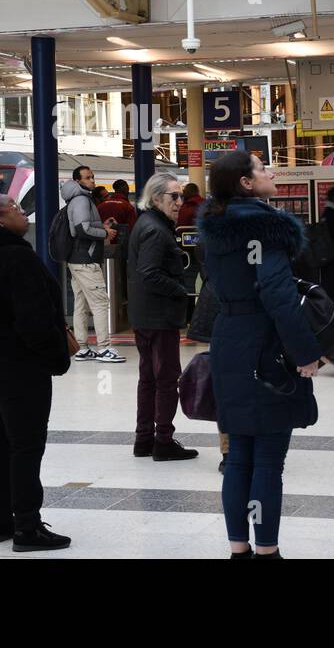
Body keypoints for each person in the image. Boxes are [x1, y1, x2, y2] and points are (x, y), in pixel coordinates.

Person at [199, 151, 325, 558]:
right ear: (246, 183)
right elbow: (278, 294)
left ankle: (240, 549)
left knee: (238, 457)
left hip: (229, 340)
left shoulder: (214, 228)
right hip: (265, 345)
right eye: (262, 168)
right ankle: (268, 551)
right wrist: (305, 352)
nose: (272, 171)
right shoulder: (266, 228)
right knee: (269, 461)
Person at [0, 192, 72, 552]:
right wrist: (56, 356)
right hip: (16, 363)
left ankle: (0, 521)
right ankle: (27, 527)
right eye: (16, 209)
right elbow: (34, 320)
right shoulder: (16, 257)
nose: (24, 213)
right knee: (25, 444)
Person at [128, 173, 198, 463]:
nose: (180, 202)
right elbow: (150, 273)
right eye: (174, 196)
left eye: (181, 195)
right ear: (156, 198)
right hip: (159, 316)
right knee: (167, 379)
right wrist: (181, 291)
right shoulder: (156, 230)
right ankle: (163, 441)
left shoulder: (147, 224)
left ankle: (144, 439)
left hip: (145, 314)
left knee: (148, 379)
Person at [59, 166, 124, 363]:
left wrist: (102, 225)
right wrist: (105, 233)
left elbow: (83, 225)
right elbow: (81, 229)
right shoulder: (81, 200)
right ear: (78, 181)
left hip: (76, 260)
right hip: (86, 260)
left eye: (92, 177)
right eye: (88, 178)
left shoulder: (76, 199)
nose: (92, 181)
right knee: (100, 302)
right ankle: (104, 348)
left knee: (81, 304)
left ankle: (82, 347)